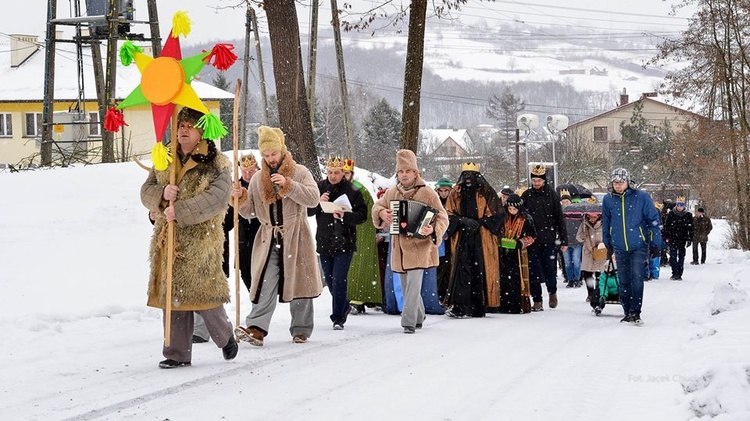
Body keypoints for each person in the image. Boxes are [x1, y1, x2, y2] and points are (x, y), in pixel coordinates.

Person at [140, 106, 238, 369]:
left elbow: (216, 199)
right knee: (173, 293)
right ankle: (176, 353)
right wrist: (162, 194)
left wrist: (180, 210)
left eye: (189, 126)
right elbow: (145, 190)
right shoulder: (165, 158)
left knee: (202, 293)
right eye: (180, 125)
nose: (183, 130)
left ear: (201, 131)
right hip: (169, 237)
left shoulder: (216, 163)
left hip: (200, 239)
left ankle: (225, 335)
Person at [232, 125, 322, 346]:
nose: (270, 158)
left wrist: (289, 186)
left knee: (300, 280)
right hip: (268, 236)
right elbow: (249, 212)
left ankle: (301, 329)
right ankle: (256, 328)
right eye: (266, 155)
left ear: (282, 150)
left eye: (273, 153)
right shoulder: (256, 179)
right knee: (264, 280)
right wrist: (239, 198)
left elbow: (313, 199)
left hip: (296, 234)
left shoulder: (300, 172)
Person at [372, 149, 449, 333]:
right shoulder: (392, 192)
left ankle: (408, 322)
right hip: (399, 247)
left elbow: (443, 217)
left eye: (408, 171)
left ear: (416, 172)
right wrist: (382, 213)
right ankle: (419, 315)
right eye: (401, 172)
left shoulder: (428, 193)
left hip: (420, 245)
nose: (404, 175)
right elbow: (377, 206)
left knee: (414, 284)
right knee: (407, 286)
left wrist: (433, 229)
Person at [309, 156, 367, 330]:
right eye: (330, 172)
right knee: (330, 279)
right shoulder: (319, 187)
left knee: (339, 280)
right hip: (324, 240)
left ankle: (338, 318)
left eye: (337, 172)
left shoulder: (353, 190)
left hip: (345, 240)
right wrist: (319, 204)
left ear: (344, 173)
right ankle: (344, 305)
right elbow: (308, 211)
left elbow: (362, 216)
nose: (333, 176)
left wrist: (345, 216)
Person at [602, 168, 662, 325]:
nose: (618, 186)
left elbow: (653, 220)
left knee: (636, 278)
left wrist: (655, 243)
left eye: (621, 182)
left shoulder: (641, 197)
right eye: (615, 183)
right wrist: (608, 243)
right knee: (624, 280)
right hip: (619, 246)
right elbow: (606, 223)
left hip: (638, 245)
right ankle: (627, 311)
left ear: (628, 182)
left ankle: (635, 312)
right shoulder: (608, 200)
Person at [443, 163, 503, 317]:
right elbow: (448, 213)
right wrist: (462, 220)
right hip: (463, 235)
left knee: (480, 269)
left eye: (471, 174)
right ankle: (461, 306)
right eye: (466, 174)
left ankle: (478, 306)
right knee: (462, 270)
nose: (468, 178)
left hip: (482, 237)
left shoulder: (486, 192)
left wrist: (481, 222)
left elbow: (497, 214)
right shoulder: (456, 192)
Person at [521, 164, 568, 311]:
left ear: (544, 181)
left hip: (548, 238)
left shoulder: (552, 195)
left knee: (549, 269)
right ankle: (537, 300)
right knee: (533, 270)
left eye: (539, 181)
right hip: (531, 239)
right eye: (534, 180)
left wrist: (563, 239)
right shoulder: (527, 195)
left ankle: (552, 292)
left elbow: (559, 218)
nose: (536, 183)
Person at [344, 159, 384, 314]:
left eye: (347, 173)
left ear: (351, 174)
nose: (344, 175)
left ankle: (358, 299)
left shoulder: (359, 189)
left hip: (361, 228)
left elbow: (366, 210)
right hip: (343, 229)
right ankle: (349, 297)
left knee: (359, 263)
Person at [498, 194, 536, 314]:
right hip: (503, 252)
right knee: (503, 277)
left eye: (515, 209)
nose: (512, 211)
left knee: (516, 279)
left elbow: (533, 236)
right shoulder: (503, 217)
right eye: (510, 209)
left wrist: (521, 242)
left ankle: (516, 305)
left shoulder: (526, 218)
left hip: (519, 253)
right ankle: (503, 304)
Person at [576, 210, 606, 310]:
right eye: (590, 217)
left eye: (594, 217)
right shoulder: (584, 225)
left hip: (600, 251)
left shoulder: (603, 224)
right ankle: (590, 293)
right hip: (588, 252)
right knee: (588, 274)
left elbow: (607, 236)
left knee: (599, 275)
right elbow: (578, 237)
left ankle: (597, 294)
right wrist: (582, 236)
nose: (592, 219)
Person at [663, 197, 693, 281]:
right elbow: (666, 227)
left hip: (682, 238)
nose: (680, 207)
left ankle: (679, 273)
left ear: (684, 206)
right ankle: (674, 273)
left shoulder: (688, 215)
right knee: (673, 257)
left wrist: (690, 239)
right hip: (673, 238)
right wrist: (666, 237)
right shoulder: (671, 214)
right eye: (678, 205)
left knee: (681, 256)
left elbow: (691, 228)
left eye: (681, 205)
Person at [434, 177, 454, 302]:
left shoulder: (453, 202)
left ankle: (447, 294)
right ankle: (440, 294)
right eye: (441, 191)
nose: (443, 193)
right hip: (439, 237)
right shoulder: (435, 201)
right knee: (440, 266)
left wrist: (449, 231)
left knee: (449, 267)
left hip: (451, 238)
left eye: (446, 191)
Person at [560, 189, 584, 288]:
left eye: (567, 201)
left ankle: (577, 279)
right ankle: (570, 279)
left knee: (577, 261)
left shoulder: (577, 211)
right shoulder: (559, 212)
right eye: (564, 201)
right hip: (565, 241)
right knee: (567, 263)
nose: (566, 203)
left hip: (577, 241)